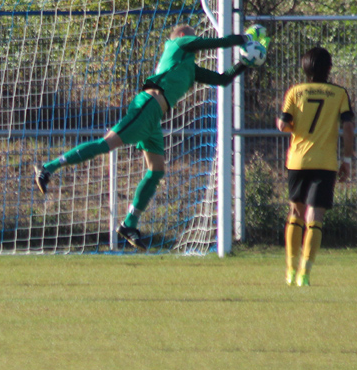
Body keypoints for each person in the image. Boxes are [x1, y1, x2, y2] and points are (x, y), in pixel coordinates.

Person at [34, 24, 270, 251]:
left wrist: (244, 63)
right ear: (180, 35)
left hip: (154, 116)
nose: (194, 37)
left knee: (156, 170)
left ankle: (129, 224)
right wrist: (245, 38)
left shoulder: (188, 66)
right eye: (190, 34)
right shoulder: (177, 44)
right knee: (106, 144)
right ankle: (48, 168)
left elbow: (222, 79)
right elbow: (213, 42)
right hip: (147, 105)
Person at [277, 47, 354, 287]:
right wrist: (347, 159)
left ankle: (290, 269)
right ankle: (305, 274)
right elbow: (349, 128)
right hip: (325, 163)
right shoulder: (339, 93)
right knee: (315, 217)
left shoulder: (295, 91)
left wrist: (292, 128)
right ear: (329, 68)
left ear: (305, 68)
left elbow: (282, 125)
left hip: (298, 160)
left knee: (296, 214)